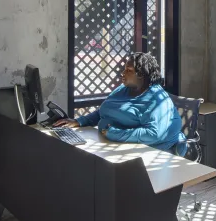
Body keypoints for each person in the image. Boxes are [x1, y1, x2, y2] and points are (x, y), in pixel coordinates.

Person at [54, 52, 186, 153]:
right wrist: (80, 121)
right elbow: (104, 111)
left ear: (142, 75)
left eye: (129, 71)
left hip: (152, 152)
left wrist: (114, 134)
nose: (122, 73)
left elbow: (154, 134)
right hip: (116, 145)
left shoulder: (156, 99)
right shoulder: (124, 89)